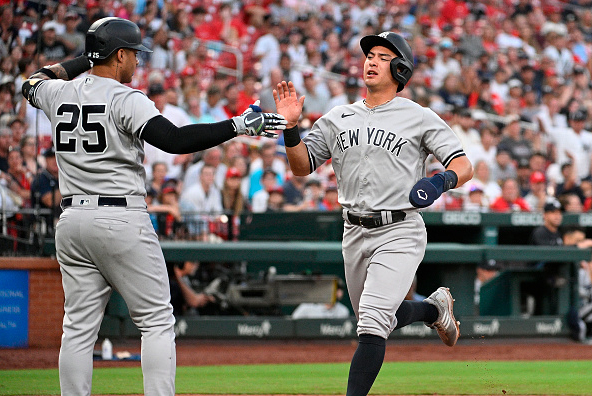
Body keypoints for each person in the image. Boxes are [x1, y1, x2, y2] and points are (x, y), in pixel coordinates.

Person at [21, 17, 285, 396]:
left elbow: (34, 80)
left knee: (77, 328)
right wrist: (239, 125)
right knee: (157, 321)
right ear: (120, 55)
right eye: (133, 55)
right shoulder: (126, 98)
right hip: (118, 215)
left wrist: (88, 59)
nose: (137, 62)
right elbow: (174, 140)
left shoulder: (57, 92)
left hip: (72, 218)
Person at [274, 31, 473, 396]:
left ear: (400, 68)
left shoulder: (419, 116)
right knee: (379, 319)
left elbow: (464, 164)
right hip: (354, 231)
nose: (371, 60)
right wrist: (291, 130)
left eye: (382, 56)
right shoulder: (339, 116)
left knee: (372, 321)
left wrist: (441, 180)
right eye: (370, 55)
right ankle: (432, 311)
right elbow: (303, 166)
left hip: (399, 229)